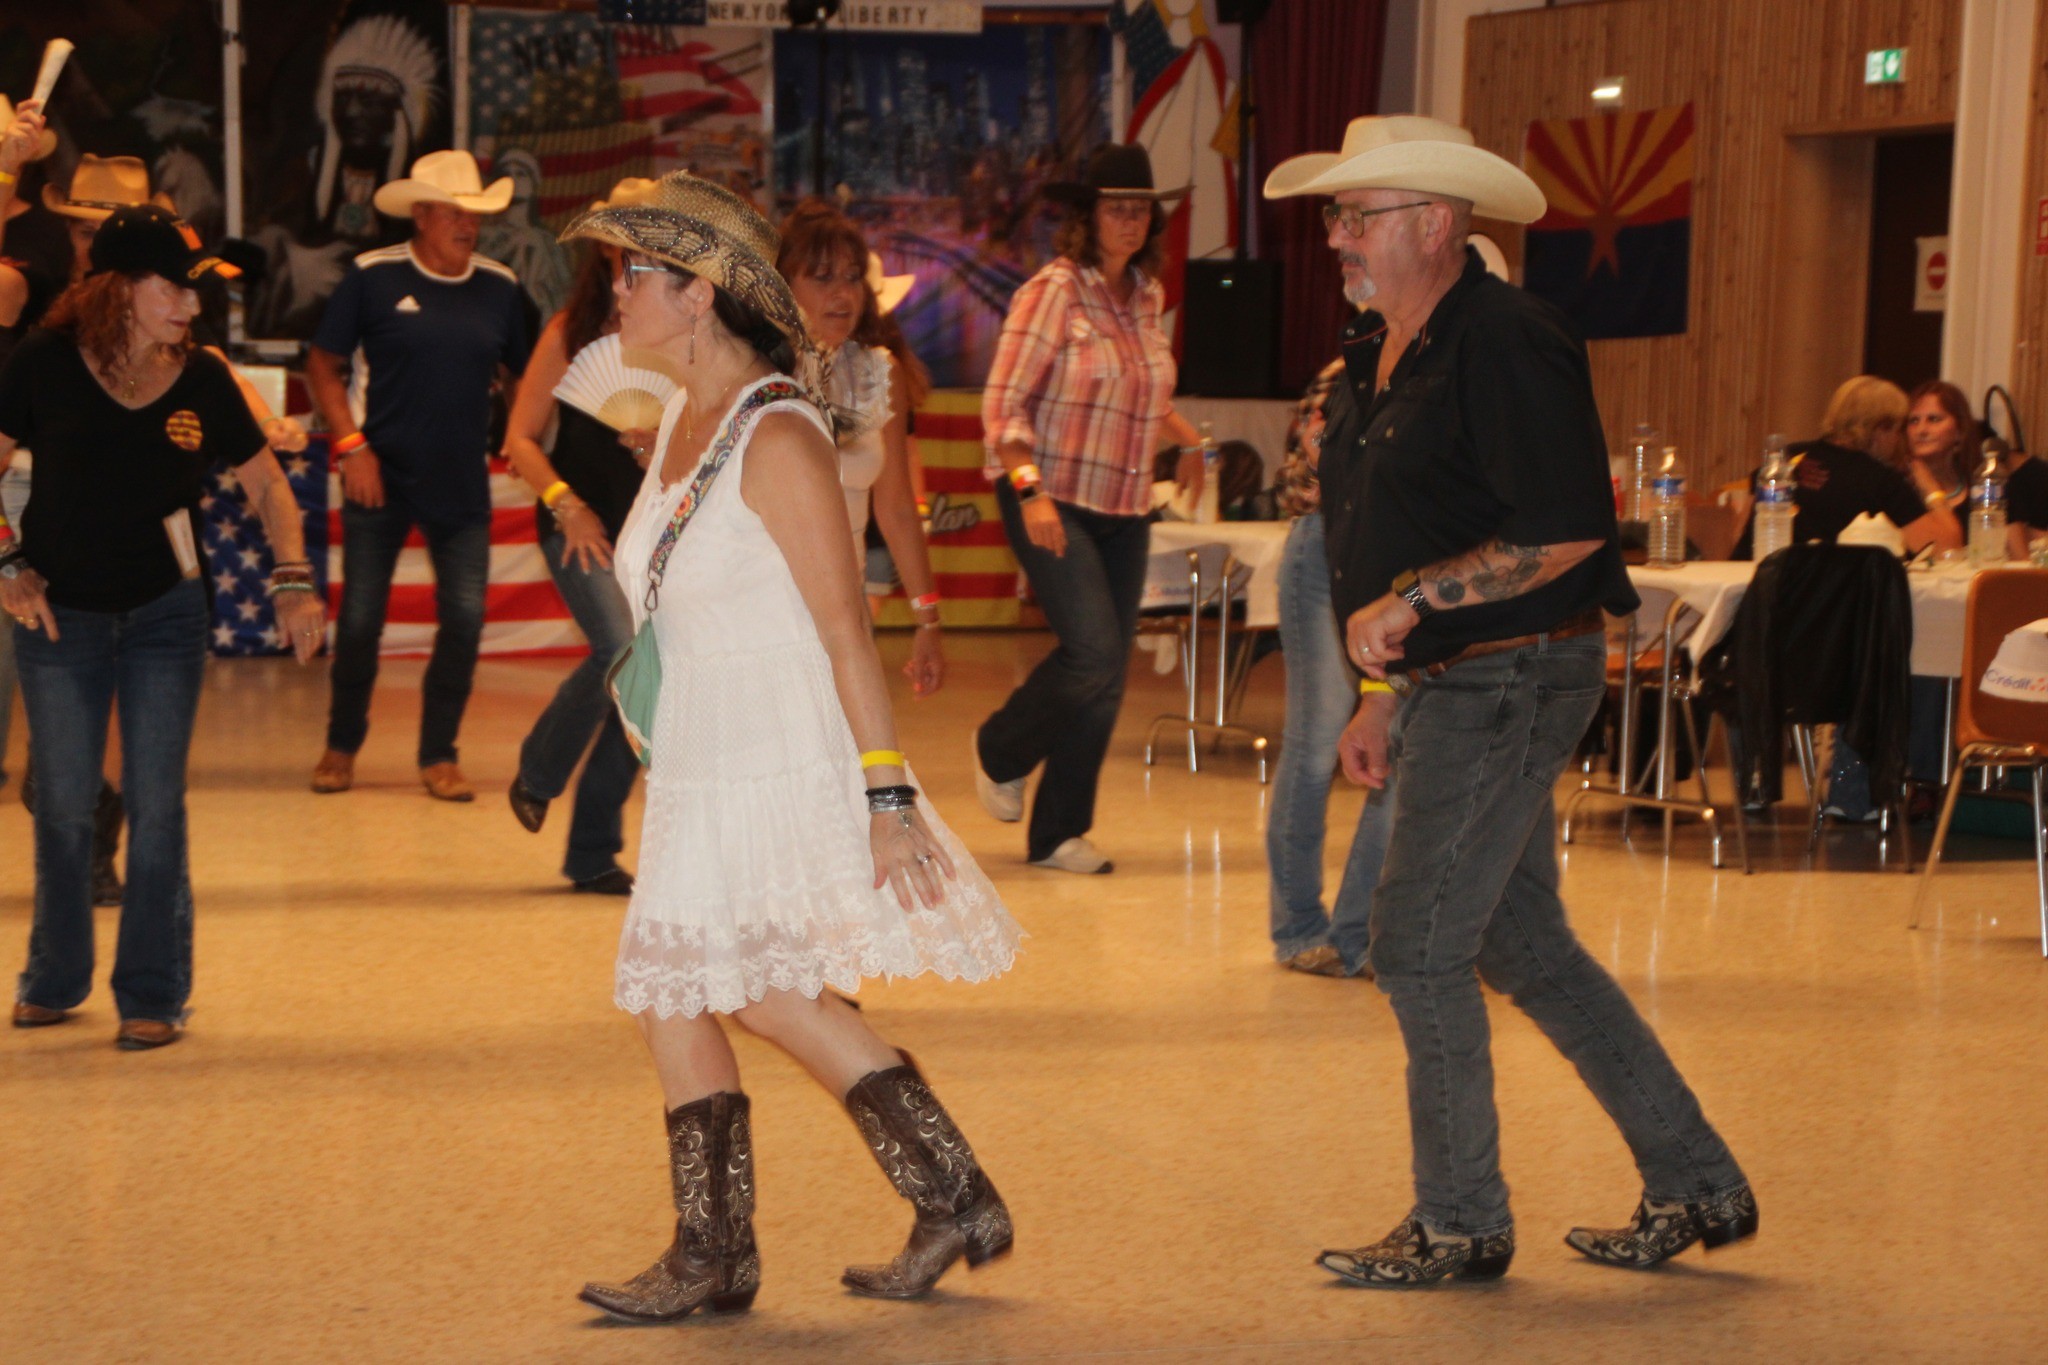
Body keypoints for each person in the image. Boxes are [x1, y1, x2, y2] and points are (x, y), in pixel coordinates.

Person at [1266, 115, 1754, 1284]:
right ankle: (1698, 1185)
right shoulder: (1380, 353)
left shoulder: (1507, 337)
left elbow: (1563, 523)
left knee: (1415, 947)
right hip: (1448, 679)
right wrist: (1381, 691)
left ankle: (1459, 1221)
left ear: (1435, 222)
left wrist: (1416, 604)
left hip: (1513, 670)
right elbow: (1394, 527)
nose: (1336, 237)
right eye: (1335, 216)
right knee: (1522, 944)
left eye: (1358, 215)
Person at [560, 172, 1019, 1323]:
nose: (613, 296)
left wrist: (887, 796)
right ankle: (950, 1195)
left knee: (688, 984)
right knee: (755, 992)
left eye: (633, 277)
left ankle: (717, 1253)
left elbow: (840, 631)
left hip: (772, 755)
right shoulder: (675, 416)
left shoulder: (777, 433)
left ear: (698, 292)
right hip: (701, 755)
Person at [0, 206, 326, 1049]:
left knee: (158, 802)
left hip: (166, 615)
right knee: (66, 805)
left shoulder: (204, 377)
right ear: (120, 288)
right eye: (175, 288)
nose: (190, 304)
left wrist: (292, 583)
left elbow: (268, 488)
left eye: (195, 289)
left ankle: (153, 989)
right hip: (60, 615)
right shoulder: (42, 363)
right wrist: (7, 565)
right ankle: (55, 975)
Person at [973, 144, 1206, 873]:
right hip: (1049, 493)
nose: (1132, 220)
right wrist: (1031, 491)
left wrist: (1193, 439)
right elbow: (1003, 404)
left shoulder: (1147, 295)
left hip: (1125, 503)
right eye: (1117, 207)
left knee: (1108, 673)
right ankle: (1000, 748)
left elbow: (1144, 393)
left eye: (1141, 208)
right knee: (1093, 652)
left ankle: (1058, 833)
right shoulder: (1053, 291)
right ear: (1088, 216)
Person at [306, 151, 529, 801]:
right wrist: (352, 446)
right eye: (457, 212)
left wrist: (523, 435)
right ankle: (341, 744)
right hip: (379, 472)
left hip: (461, 478)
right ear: (422, 214)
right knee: (359, 622)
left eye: (477, 214)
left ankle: (440, 753)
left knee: (463, 618)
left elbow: (521, 373)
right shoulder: (372, 277)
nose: (469, 225)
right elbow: (323, 364)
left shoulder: (500, 286)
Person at [501, 179, 660, 894]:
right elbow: (521, 441)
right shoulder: (571, 331)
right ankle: (539, 769)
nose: (636, 245)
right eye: (625, 232)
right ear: (603, 243)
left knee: (646, 678)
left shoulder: (683, 327)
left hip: (656, 526)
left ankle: (593, 850)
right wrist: (569, 505)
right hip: (580, 522)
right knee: (624, 649)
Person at [777, 201, 945, 696]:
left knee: (848, 761)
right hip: (767, 604)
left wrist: (928, 621)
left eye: (852, 277)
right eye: (823, 277)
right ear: (784, 286)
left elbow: (895, 507)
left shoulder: (878, 370)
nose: (843, 293)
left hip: (846, 611)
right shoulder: (755, 371)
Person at [1263, 356, 1387, 978]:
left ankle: (1360, 932)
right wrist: (1328, 458)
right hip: (1326, 548)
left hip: (1409, 564)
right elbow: (1297, 474)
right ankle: (1298, 929)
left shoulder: (1463, 363)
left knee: (1401, 749)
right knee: (1314, 745)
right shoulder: (1351, 365)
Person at [1732, 376, 1962, 559]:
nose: (1900, 440)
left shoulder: (1782, 460)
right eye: (1899, 429)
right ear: (1882, 428)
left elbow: (1739, 536)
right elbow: (1946, 549)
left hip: (1753, 594)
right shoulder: (1880, 480)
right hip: (1824, 607)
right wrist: (1931, 489)